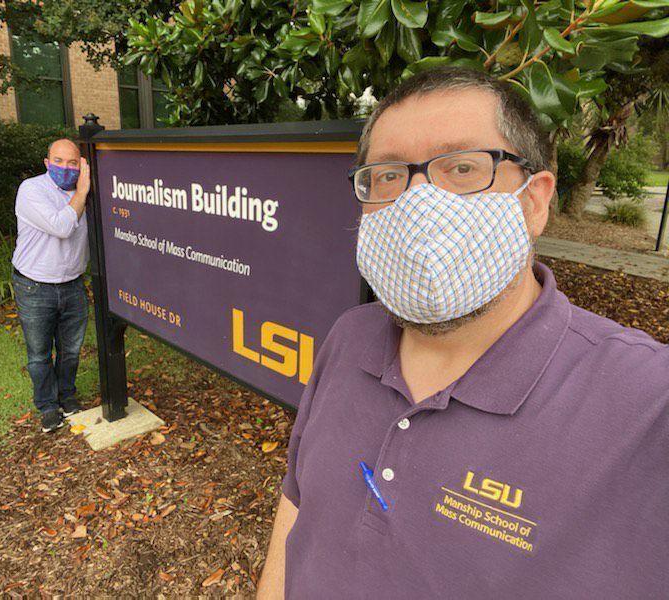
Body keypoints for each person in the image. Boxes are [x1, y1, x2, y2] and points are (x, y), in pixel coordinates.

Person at [257, 67, 669, 599]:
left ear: (535, 200)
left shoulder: (646, 404)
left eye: (462, 167)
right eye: (386, 176)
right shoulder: (348, 338)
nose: (417, 202)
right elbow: (297, 503)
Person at [11, 138, 91, 433]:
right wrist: (82, 191)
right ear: (47, 163)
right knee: (39, 353)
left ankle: (67, 396)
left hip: (72, 284)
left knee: (71, 349)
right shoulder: (32, 190)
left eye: (72, 163)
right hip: (35, 286)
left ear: (81, 164)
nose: (65, 168)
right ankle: (47, 406)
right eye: (59, 161)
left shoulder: (88, 194)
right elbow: (61, 226)